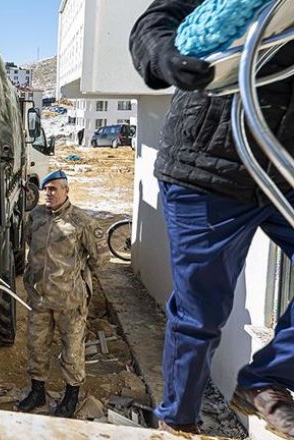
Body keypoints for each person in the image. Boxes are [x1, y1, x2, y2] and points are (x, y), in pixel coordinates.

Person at [130, 1, 294, 435]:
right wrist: (164, 56)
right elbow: (154, 22)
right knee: (200, 313)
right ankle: (179, 419)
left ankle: (266, 380)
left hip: (283, 168)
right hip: (206, 167)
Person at [17, 170, 107, 418]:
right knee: (36, 345)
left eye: (54, 188)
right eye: (46, 189)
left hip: (70, 301)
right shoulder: (35, 217)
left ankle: (71, 396)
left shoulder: (81, 222)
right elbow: (30, 245)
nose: (49, 193)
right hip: (40, 298)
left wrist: (76, 278)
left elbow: (100, 258)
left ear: (66, 191)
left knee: (72, 349)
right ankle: (37, 391)